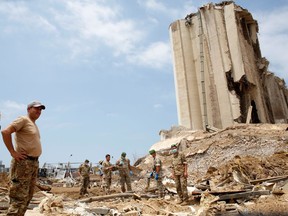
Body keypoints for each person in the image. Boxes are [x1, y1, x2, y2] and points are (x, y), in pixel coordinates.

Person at [1, 101, 46, 216]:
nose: (39, 111)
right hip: (23, 163)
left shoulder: (33, 124)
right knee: (19, 198)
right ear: (29, 109)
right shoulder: (23, 120)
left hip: (33, 163)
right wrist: (13, 152)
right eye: (36, 108)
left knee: (27, 196)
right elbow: (5, 132)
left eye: (40, 109)